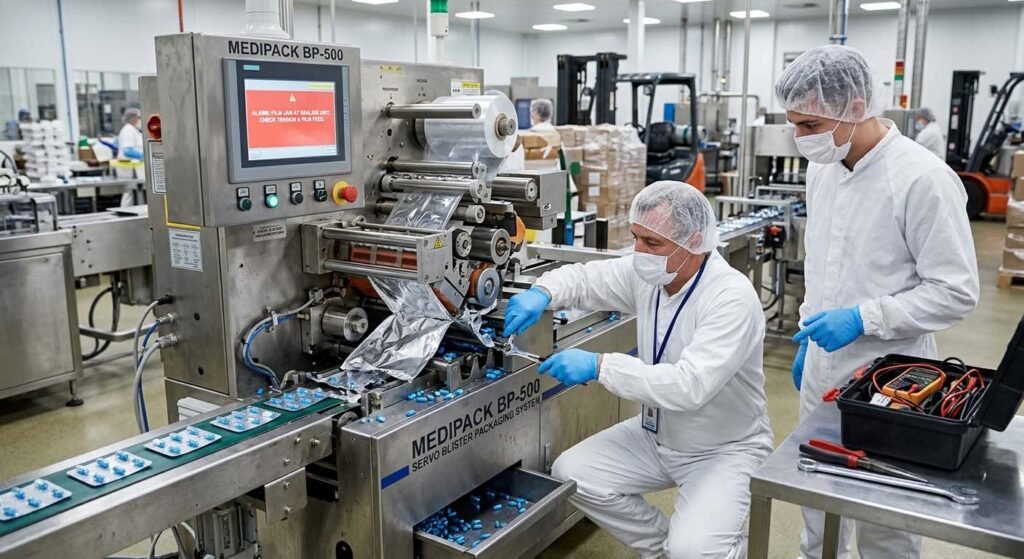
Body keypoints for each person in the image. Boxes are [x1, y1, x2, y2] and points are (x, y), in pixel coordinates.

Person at [775, 45, 979, 559]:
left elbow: (955, 291)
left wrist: (863, 317)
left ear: (856, 106)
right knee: (818, 506)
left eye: (809, 123)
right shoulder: (822, 170)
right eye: (794, 124)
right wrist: (807, 332)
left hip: (891, 379)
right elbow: (821, 262)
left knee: (884, 518)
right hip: (823, 368)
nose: (801, 138)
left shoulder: (922, 179)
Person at [504, 181, 773, 559]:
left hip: (721, 447)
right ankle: (659, 548)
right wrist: (543, 292)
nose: (639, 252)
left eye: (652, 243)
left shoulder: (730, 298)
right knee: (572, 473)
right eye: (636, 238)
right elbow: (585, 279)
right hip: (658, 432)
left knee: (694, 552)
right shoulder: (651, 275)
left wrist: (599, 366)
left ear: (693, 240)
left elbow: (689, 385)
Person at [117, 108, 144, 206]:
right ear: (133, 118)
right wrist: (142, 155)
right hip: (129, 168)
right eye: (139, 117)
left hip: (134, 167)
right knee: (129, 193)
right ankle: (126, 214)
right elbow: (127, 151)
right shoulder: (128, 130)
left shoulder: (133, 130)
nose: (140, 120)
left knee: (132, 193)